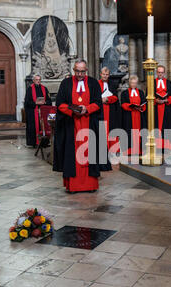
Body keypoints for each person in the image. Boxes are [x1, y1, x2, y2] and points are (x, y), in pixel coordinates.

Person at [53, 59, 106, 193]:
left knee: (90, 153)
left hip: (89, 124)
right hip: (72, 125)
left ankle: (91, 185)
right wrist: (72, 110)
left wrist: (86, 109)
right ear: (74, 70)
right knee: (73, 155)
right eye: (77, 71)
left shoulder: (93, 83)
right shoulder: (66, 83)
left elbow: (98, 103)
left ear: (86, 70)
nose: (80, 74)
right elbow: (60, 103)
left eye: (82, 71)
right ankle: (73, 186)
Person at [120, 75, 147, 155]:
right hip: (129, 116)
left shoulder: (141, 93)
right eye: (132, 83)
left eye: (135, 83)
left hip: (139, 116)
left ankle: (139, 150)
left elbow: (144, 103)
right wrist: (131, 107)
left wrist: (141, 107)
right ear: (129, 83)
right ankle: (129, 151)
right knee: (129, 133)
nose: (133, 85)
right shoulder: (124, 93)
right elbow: (123, 104)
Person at [24, 74, 52, 147]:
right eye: (36, 80)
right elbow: (27, 102)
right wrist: (35, 103)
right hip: (33, 112)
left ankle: (44, 143)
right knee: (33, 127)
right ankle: (33, 142)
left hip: (43, 112)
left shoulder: (44, 88)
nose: (38, 81)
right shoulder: (29, 89)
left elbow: (49, 101)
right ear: (33, 80)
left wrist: (45, 102)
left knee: (44, 127)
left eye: (39, 80)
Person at [153, 65, 171, 152]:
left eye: (162, 72)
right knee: (156, 127)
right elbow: (148, 95)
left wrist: (167, 100)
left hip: (167, 109)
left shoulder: (169, 83)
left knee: (167, 128)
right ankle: (157, 146)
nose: (160, 74)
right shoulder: (152, 82)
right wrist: (156, 100)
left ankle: (166, 146)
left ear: (164, 73)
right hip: (156, 109)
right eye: (159, 72)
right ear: (156, 72)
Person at [98, 67, 121, 153]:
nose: (105, 76)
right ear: (101, 74)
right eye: (104, 74)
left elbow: (115, 97)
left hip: (110, 110)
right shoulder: (96, 84)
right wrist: (101, 100)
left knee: (111, 130)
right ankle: (102, 149)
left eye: (107, 74)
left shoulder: (112, 84)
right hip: (100, 111)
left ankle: (112, 149)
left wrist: (107, 99)